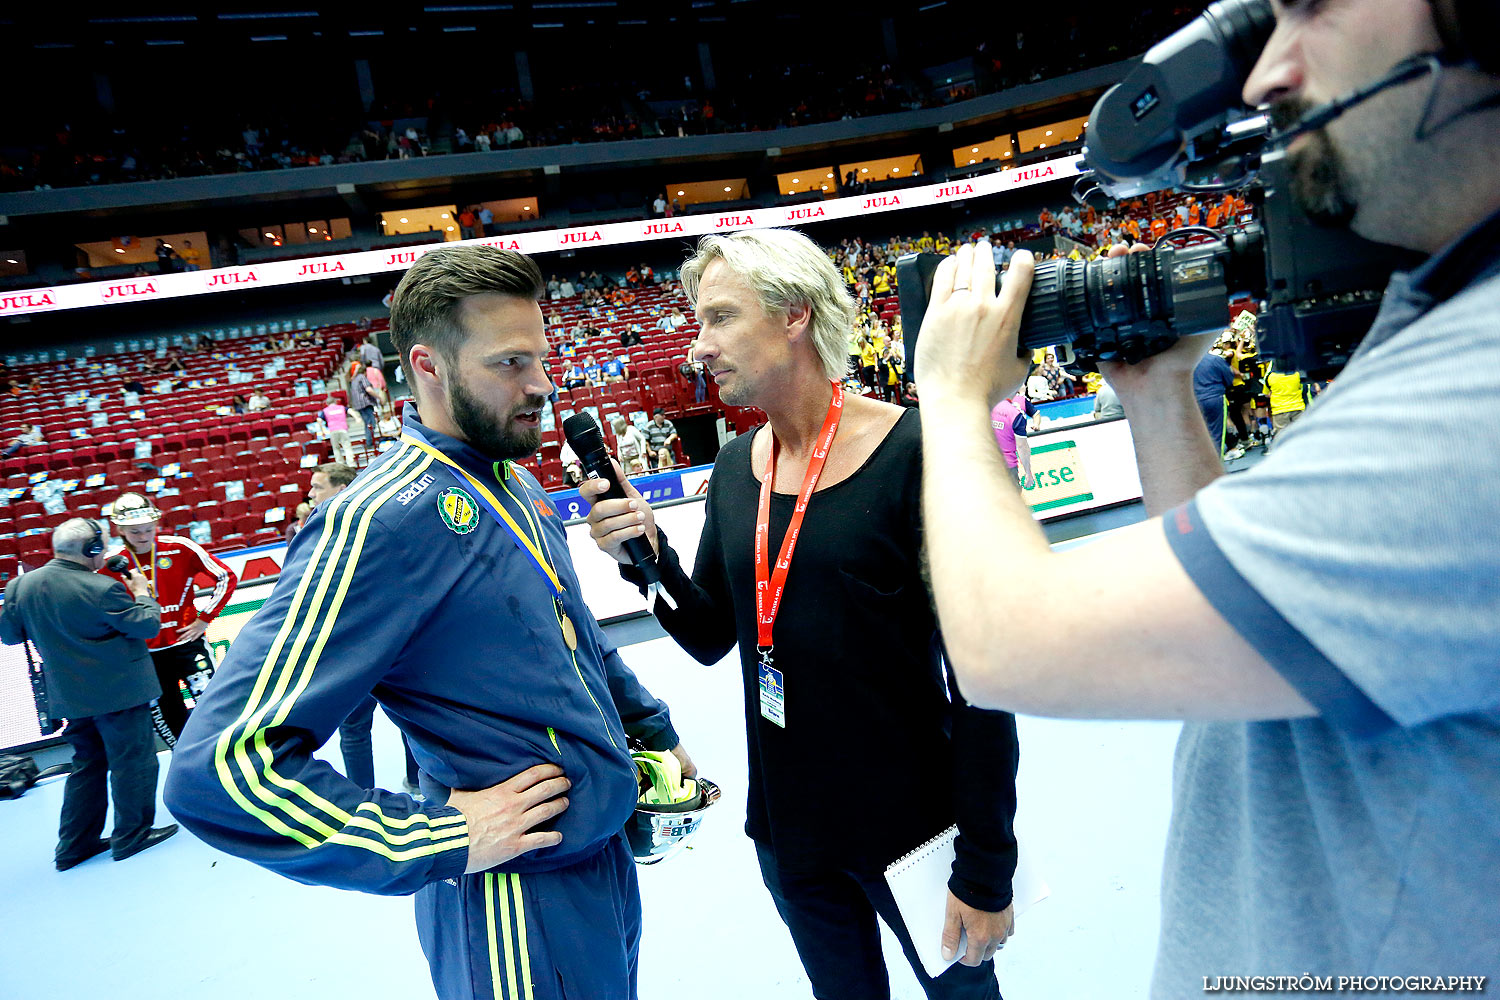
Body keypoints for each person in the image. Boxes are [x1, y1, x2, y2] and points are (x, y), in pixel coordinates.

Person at [911, 0, 1500, 988]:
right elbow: (1262, 658)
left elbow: (1005, 645)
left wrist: (953, 394)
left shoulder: (1478, 388)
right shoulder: (1445, 323)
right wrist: (1157, 399)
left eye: (1311, 8)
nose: (1267, 75)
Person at [163, 245, 692, 1000]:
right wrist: (439, 837)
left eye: (541, 357)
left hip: (595, 871)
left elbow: (572, 635)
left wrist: (654, 731)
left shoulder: (513, 482)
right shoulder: (381, 519)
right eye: (510, 363)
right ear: (429, 365)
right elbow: (219, 769)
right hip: (511, 903)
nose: (542, 385)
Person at [584, 230, 1019, 999]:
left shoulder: (919, 450)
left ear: (792, 314)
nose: (698, 346)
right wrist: (645, 563)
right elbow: (712, 634)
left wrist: (986, 867)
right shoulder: (732, 465)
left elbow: (983, 679)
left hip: (919, 836)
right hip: (791, 837)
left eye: (719, 317)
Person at [1, 519, 178, 868]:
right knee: (132, 762)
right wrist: (142, 593)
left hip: (69, 696)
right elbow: (147, 624)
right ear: (92, 550)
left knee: (87, 765)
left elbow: (9, 635)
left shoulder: (20, 586)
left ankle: (74, 846)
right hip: (121, 693)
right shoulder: (100, 588)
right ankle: (132, 835)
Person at [98, 492, 237, 748]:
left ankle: (228, 753)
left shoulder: (181, 547)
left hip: (186, 644)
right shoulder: (110, 564)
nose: (143, 537)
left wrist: (205, 619)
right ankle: (184, 762)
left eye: (148, 530)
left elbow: (227, 577)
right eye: (135, 532)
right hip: (145, 654)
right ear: (120, 530)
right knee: (168, 715)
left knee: (213, 705)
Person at [319, 393, 357, 466]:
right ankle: (351, 463)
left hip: (333, 430)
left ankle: (340, 463)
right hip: (343, 429)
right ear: (335, 402)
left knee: (336, 448)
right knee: (347, 447)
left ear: (327, 403)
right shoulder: (342, 407)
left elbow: (319, 420)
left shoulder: (325, 411)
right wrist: (357, 418)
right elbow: (351, 411)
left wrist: (322, 431)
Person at [349, 365, 379, 453]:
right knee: (371, 423)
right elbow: (369, 389)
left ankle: (369, 442)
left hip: (358, 405)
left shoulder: (354, 380)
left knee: (367, 423)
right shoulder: (362, 377)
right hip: (365, 403)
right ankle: (370, 442)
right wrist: (378, 397)